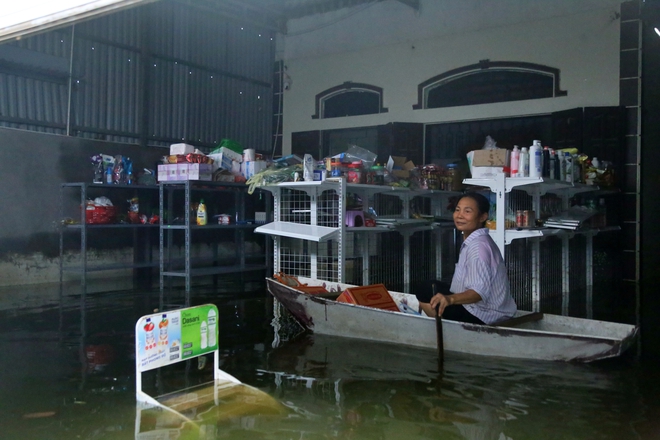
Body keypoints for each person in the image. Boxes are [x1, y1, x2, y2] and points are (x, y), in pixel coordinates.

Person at [416, 192, 516, 325]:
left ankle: (449, 333)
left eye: (467, 211)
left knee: (425, 289)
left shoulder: (478, 247)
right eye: (457, 210)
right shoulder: (477, 240)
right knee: (432, 286)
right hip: (487, 311)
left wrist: (449, 299)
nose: (459, 215)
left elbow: (478, 293)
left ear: (482, 217)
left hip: (483, 316)